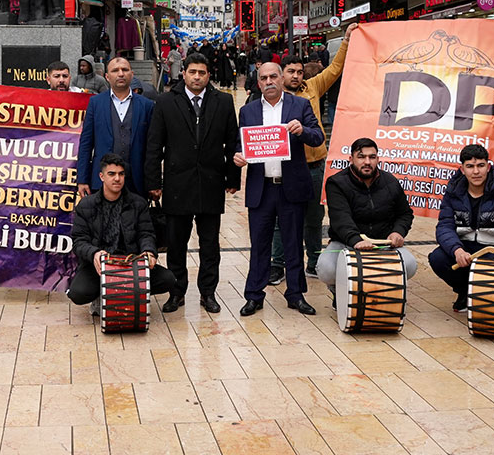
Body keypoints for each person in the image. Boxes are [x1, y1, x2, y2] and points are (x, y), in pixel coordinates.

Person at [144, 52, 239, 314]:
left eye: (202, 73)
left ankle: (208, 292)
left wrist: (233, 177)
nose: (197, 77)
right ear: (183, 73)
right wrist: (153, 182)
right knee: (176, 244)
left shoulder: (223, 102)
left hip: (211, 182)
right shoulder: (165, 102)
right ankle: (177, 292)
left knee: (210, 244)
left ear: (208, 75)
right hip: (177, 184)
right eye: (192, 72)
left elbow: (232, 142)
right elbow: (154, 145)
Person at [234, 62, 324, 317]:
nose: (269, 81)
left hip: (290, 187)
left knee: (293, 243)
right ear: (258, 83)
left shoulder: (300, 105)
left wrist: (302, 130)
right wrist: (238, 155)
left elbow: (318, 136)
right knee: (259, 244)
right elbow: (239, 143)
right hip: (261, 188)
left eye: (273, 76)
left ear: (282, 78)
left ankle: (295, 294)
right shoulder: (248, 111)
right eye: (264, 78)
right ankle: (254, 295)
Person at [272, 23, 356, 283]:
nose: (296, 76)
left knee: (314, 217)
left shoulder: (313, 87)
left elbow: (335, 69)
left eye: (299, 71)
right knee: (281, 218)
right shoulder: (273, 96)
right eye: (291, 72)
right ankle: (277, 264)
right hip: (284, 167)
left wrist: (346, 41)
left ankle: (314, 262)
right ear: (281, 75)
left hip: (315, 165)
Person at [428, 144, 494, 311]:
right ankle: (464, 292)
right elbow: (444, 227)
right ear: (462, 169)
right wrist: (457, 250)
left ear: (488, 166)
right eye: (470, 166)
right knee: (438, 258)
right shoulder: (452, 192)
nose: (476, 172)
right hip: (466, 249)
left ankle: (485, 296)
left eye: (480, 165)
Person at [66, 154, 176, 310]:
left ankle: (125, 293)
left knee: (168, 279)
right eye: (111, 174)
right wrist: (94, 253)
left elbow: (146, 234)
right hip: (99, 267)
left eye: (121, 174)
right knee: (78, 293)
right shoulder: (86, 205)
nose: (117, 179)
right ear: (101, 176)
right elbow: (79, 241)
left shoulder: (138, 204)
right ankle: (103, 294)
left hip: (131, 265)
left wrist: (149, 252)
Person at [317, 138, 416, 293]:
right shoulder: (336, 183)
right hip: (347, 243)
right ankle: (340, 290)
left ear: (378, 159)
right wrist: (356, 240)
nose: (367, 162)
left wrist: (398, 232)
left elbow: (405, 214)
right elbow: (340, 218)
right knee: (326, 269)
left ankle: (382, 289)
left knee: (410, 265)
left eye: (372, 157)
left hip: (383, 244)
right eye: (361, 157)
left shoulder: (390, 181)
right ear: (351, 159)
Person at [76, 57, 154, 196]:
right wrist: (82, 179)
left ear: (132, 74)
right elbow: (86, 144)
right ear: (107, 76)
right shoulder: (95, 103)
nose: (121, 74)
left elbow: (152, 148)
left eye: (125, 70)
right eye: (115, 70)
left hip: (136, 182)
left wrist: (153, 183)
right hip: (101, 182)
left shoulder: (146, 105)